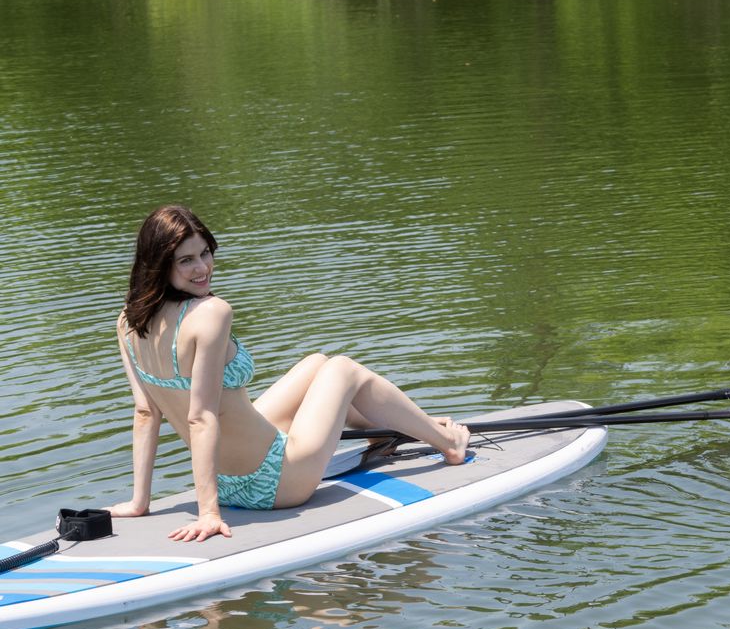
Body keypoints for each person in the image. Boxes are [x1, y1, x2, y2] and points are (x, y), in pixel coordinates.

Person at [111, 205, 470, 542]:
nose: (202, 268)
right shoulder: (211, 313)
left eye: (205, 253)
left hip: (224, 480)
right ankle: (450, 444)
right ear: (159, 266)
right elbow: (200, 417)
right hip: (275, 482)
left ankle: (385, 432)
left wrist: (140, 502)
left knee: (316, 364)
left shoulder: (128, 322)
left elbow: (146, 413)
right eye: (186, 260)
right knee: (342, 369)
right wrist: (209, 513)